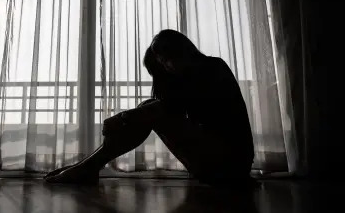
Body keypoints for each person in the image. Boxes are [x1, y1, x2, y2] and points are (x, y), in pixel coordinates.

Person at [45, 29, 255, 185]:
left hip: (231, 164)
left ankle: (87, 167)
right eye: (163, 63)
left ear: (184, 50)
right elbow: (168, 109)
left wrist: (122, 118)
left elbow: (166, 110)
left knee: (152, 110)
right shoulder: (184, 79)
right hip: (212, 165)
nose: (167, 66)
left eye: (168, 58)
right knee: (149, 108)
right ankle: (88, 167)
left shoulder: (212, 67)